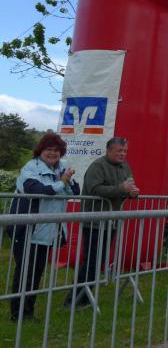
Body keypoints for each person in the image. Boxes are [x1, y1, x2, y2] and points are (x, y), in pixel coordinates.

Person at [8, 132, 79, 321]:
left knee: (36, 272)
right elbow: (35, 190)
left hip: (47, 231)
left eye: (56, 150)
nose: (52, 153)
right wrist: (61, 182)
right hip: (27, 229)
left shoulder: (61, 168)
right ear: (40, 150)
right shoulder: (30, 168)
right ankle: (18, 314)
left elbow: (75, 192)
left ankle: (28, 312)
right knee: (25, 272)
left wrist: (67, 180)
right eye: (48, 149)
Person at [65, 137, 139, 309]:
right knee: (91, 261)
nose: (122, 154)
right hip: (94, 222)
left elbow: (129, 185)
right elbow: (94, 189)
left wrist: (133, 193)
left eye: (125, 151)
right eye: (119, 151)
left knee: (99, 261)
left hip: (111, 221)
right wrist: (121, 189)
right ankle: (73, 300)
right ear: (109, 150)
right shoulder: (97, 166)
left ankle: (83, 298)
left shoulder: (125, 167)